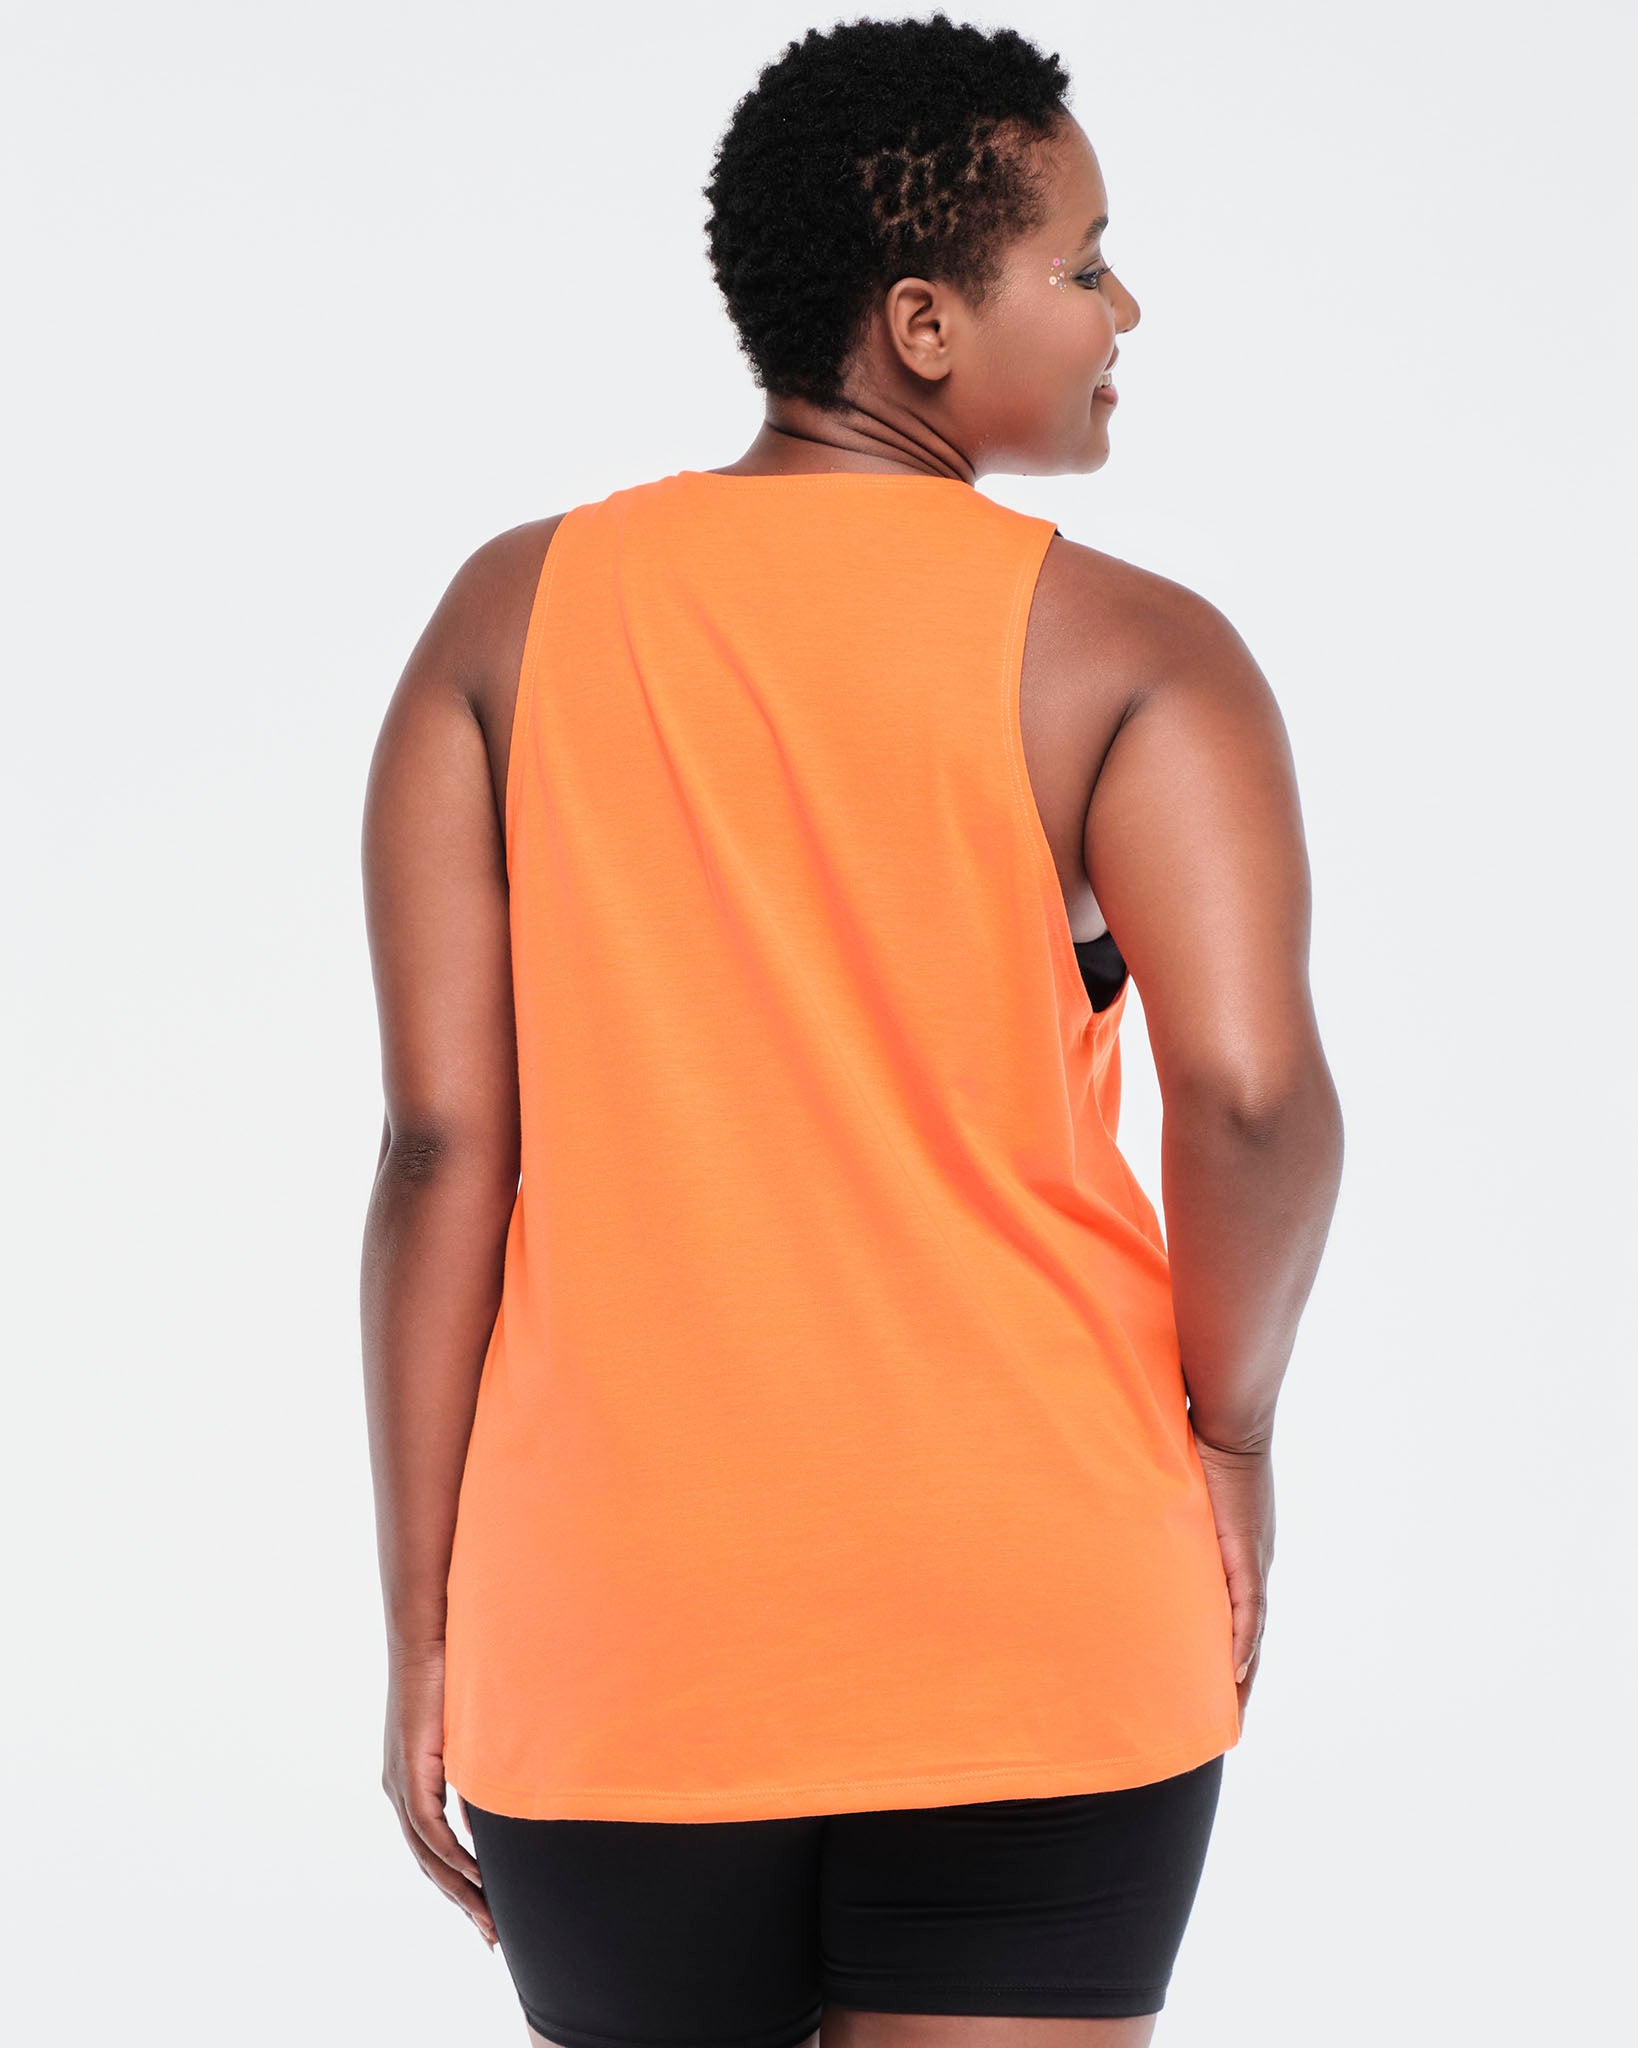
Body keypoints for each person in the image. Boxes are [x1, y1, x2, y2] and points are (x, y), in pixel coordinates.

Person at [360, 15, 1344, 2047]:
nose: (1121, 309)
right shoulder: (1134, 654)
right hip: (1040, 1592)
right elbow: (1249, 1100)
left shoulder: (503, 621)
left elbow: (444, 1151)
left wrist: (423, 1623)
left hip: (619, 1617)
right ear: (920, 323)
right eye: (1083, 262)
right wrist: (1231, 1434)